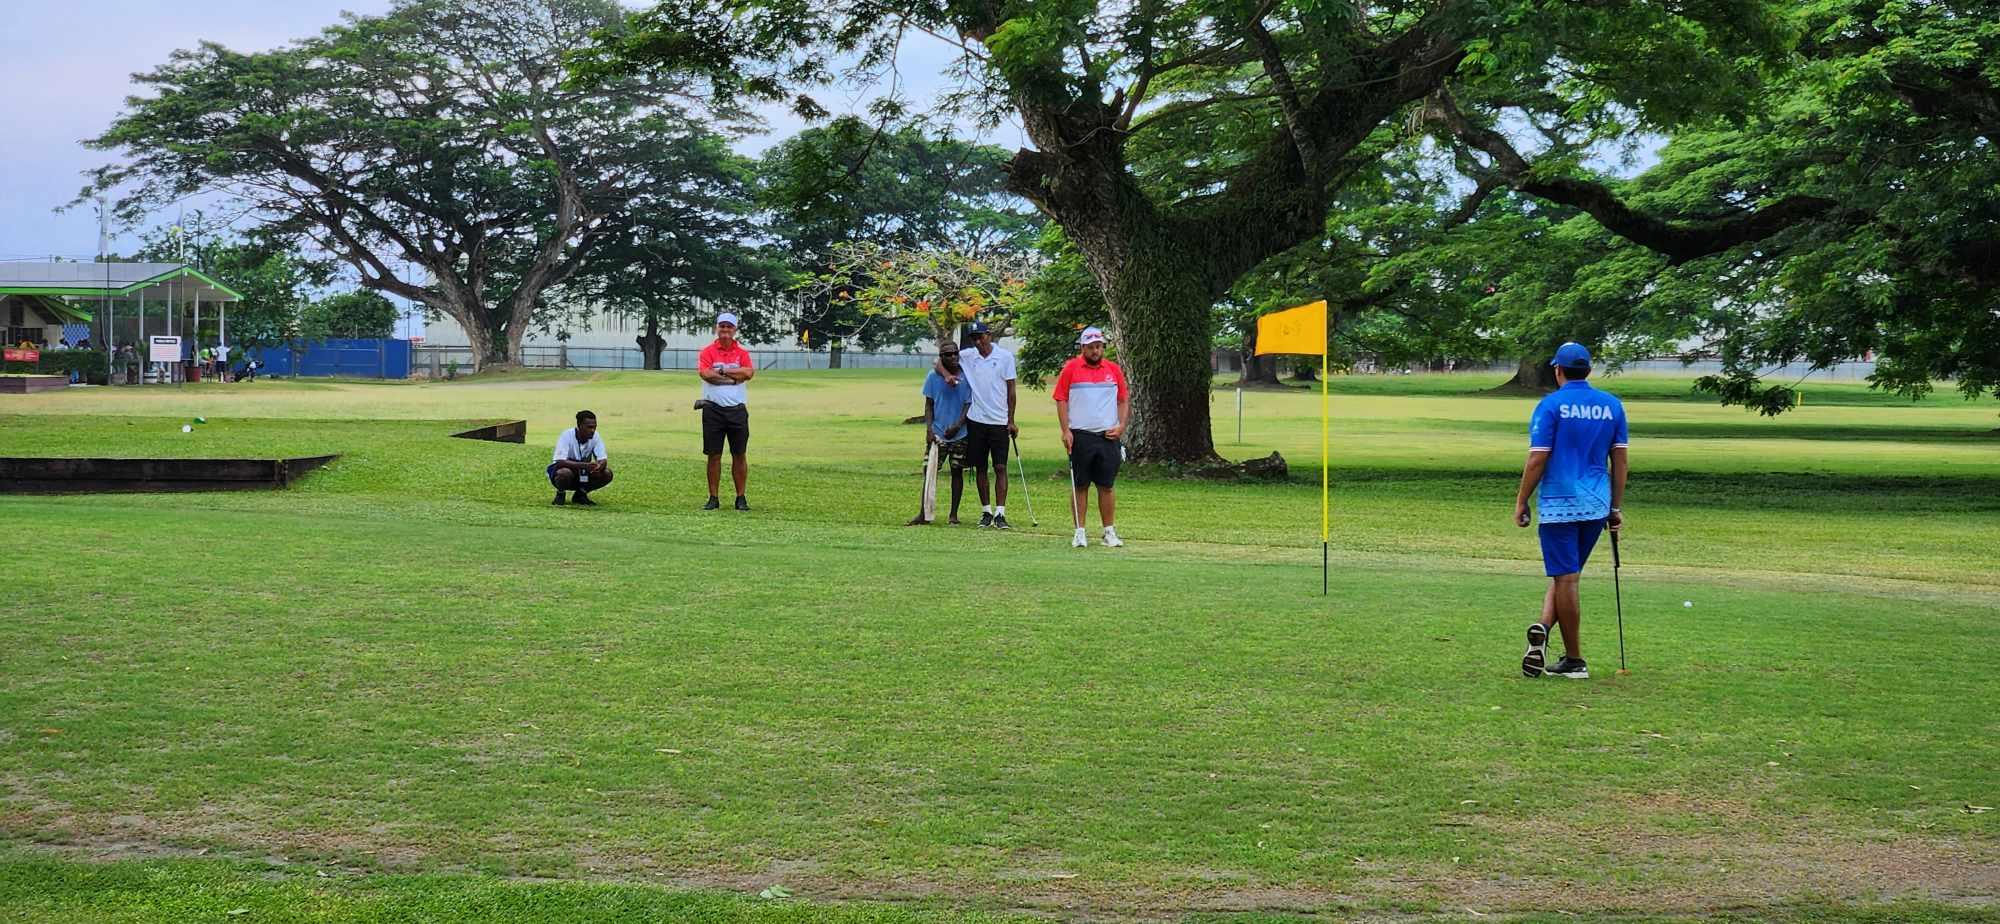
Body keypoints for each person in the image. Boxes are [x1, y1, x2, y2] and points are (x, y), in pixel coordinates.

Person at [1515, 342, 1629, 680]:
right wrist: (1615, 507)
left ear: (1558, 370)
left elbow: (1538, 458)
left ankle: (1575, 660)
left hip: (1558, 504)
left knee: (1566, 578)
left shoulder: (1550, 405)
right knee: (1567, 575)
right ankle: (1543, 626)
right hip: (1596, 504)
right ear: (1589, 370)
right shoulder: (1612, 405)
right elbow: (1620, 461)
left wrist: (1522, 500)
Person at [1053, 326, 1131, 548]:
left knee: (1107, 485)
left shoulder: (1113, 370)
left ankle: (1109, 532)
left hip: (1108, 436)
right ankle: (1080, 532)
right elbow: (1061, 399)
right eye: (1090, 347)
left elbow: (1123, 400)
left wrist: (1121, 426)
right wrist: (1066, 430)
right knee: (1080, 484)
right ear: (1083, 347)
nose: (1095, 351)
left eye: (1098, 346)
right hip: (1081, 435)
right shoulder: (1071, 369)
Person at [956, 321, 1018, 528]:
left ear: (988, 335)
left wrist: (1011, 420)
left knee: (1000, 466)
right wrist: (947, 376)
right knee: (980, 466)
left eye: (980, 337)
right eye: (974, 338)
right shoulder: (968, 356)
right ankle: (986, 511)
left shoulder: (1005, 357)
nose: (978, 342)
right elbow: (941, 360)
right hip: (977, 420)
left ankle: (1000, 513)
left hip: (999, 421)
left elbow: (1011, 390)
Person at [908, 341, 974, 526]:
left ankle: (953, 515)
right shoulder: (932, 377)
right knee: (929, 471)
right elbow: (929, 405)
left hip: (960, 434)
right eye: (947, 354)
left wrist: (958, 425)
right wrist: (929, 429)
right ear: (941, 357)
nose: (952, 357)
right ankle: (924, 513)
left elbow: (968, 404)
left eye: (955, 353)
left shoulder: (966, 376)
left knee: (957, 471)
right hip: (937, 434)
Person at [697, 312, 755, 510]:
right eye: (722, 326)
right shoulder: (708, 352)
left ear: (734, 329)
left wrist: (722, 371)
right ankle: (713, 497)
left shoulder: (742, 353)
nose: (725, 330)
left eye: (729, 326)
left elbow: (748, 372)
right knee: (714, 455)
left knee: (739, 454)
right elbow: (706, 374)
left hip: (737, 410)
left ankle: (740, 497)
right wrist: (733, 378)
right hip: (713, 409)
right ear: (717, 328)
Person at [549, 409, 613, 506]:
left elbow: (603, 459)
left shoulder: (596, 436)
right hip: (566, 475)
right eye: (589, 427)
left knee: (607, 473)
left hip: (584, 474)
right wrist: (585, 465)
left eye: (594, 427)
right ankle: (560, 494)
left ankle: (580, 495)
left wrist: (600, 466)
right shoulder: (566, 435)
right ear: (579, 426)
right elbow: (560, 462)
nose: (592, 430)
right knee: (564, 473)